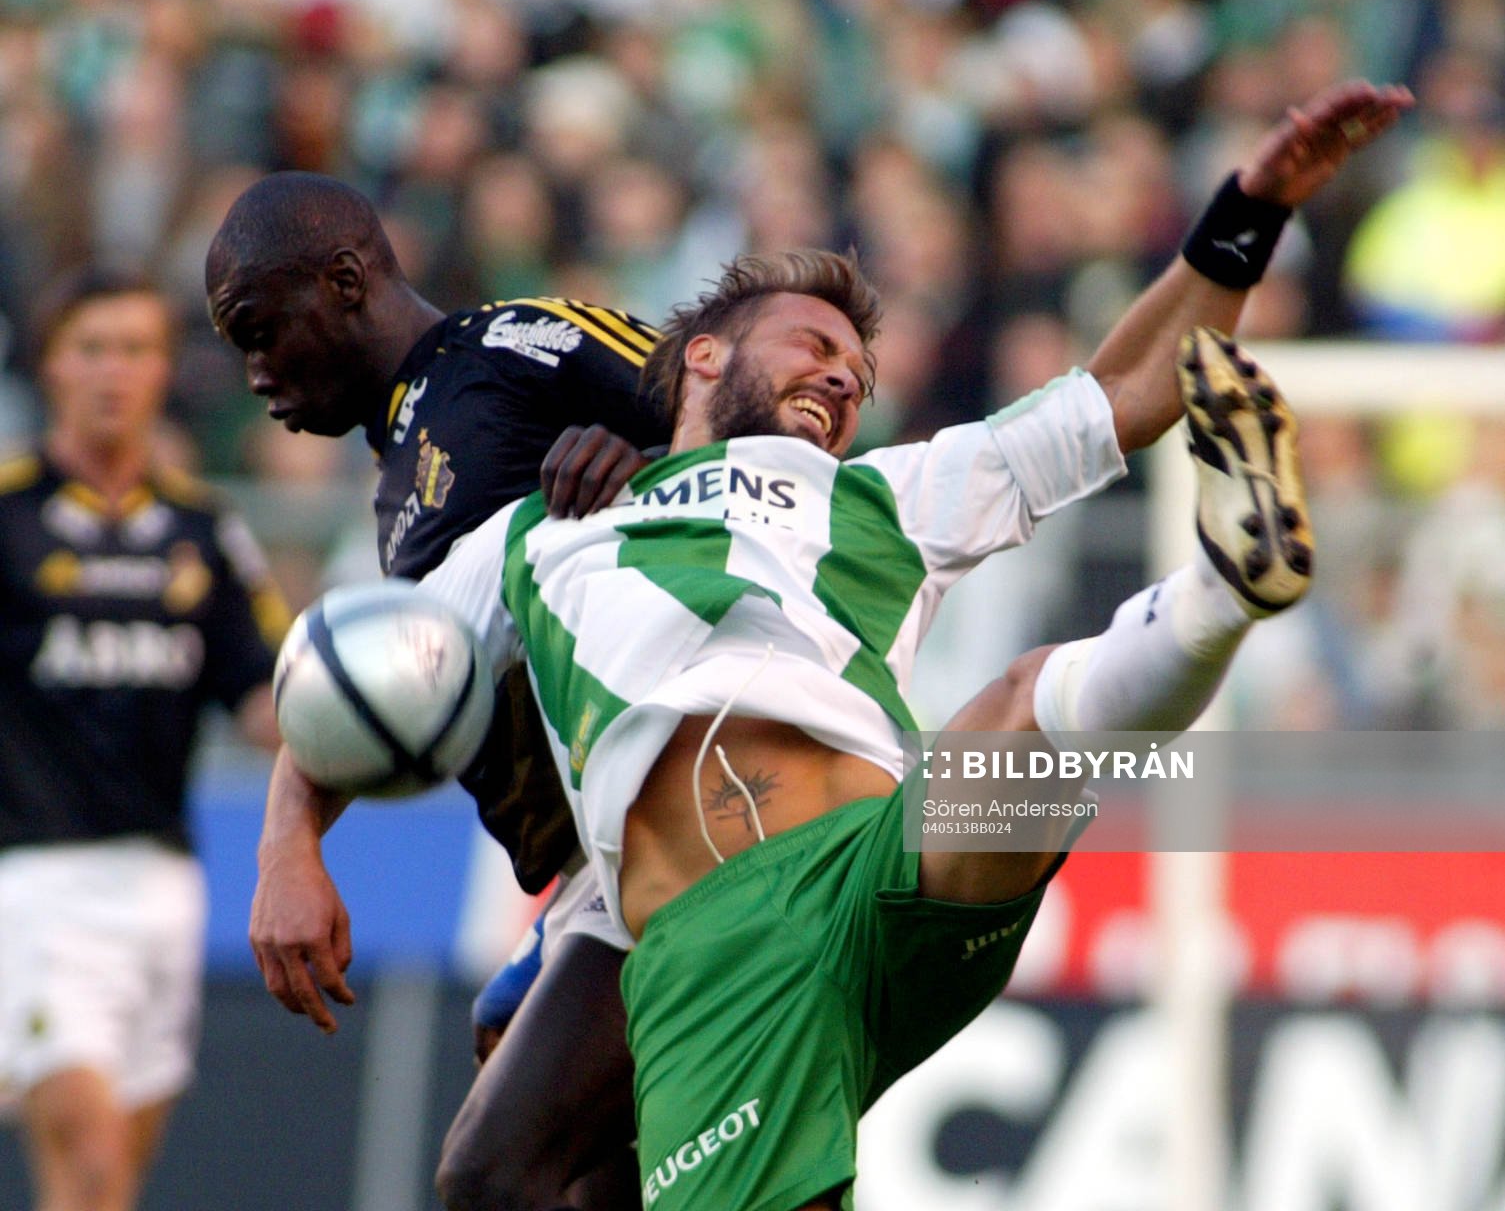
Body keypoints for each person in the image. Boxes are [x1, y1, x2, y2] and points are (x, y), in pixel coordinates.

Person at [242, 80, 1410, 1209]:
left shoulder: (881, 494)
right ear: (699, 355)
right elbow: (373, 666)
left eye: (854, 365)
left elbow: (1127, 387)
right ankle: (1210, 598)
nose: (841, 371)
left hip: (867, 870)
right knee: (510, 1156)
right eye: (808, 342)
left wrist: (1247, 211)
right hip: (724, 927)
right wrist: (289, 844)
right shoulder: (537, 540)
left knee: (1014, 713)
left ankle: (1220, 588)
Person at [203, 170, 666, 1210]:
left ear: (346, 277)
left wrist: (650, 459)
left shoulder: (512, 346)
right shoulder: (402, 454)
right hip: (590, 871)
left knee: (493, 1172)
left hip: (690, 834)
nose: (252, 371)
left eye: (260, 328)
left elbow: (767, 430)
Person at [0, 268, 287, 1211]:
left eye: (134, 349)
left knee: (106, 1182)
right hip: (35, 881)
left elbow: (261, 693)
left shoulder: (203, 530)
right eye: (91, 349)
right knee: (88, 1158)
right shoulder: (7, 514)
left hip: (163, 882)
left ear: (166, 371)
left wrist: (362, 714)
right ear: (49, 367)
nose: (112, 372)